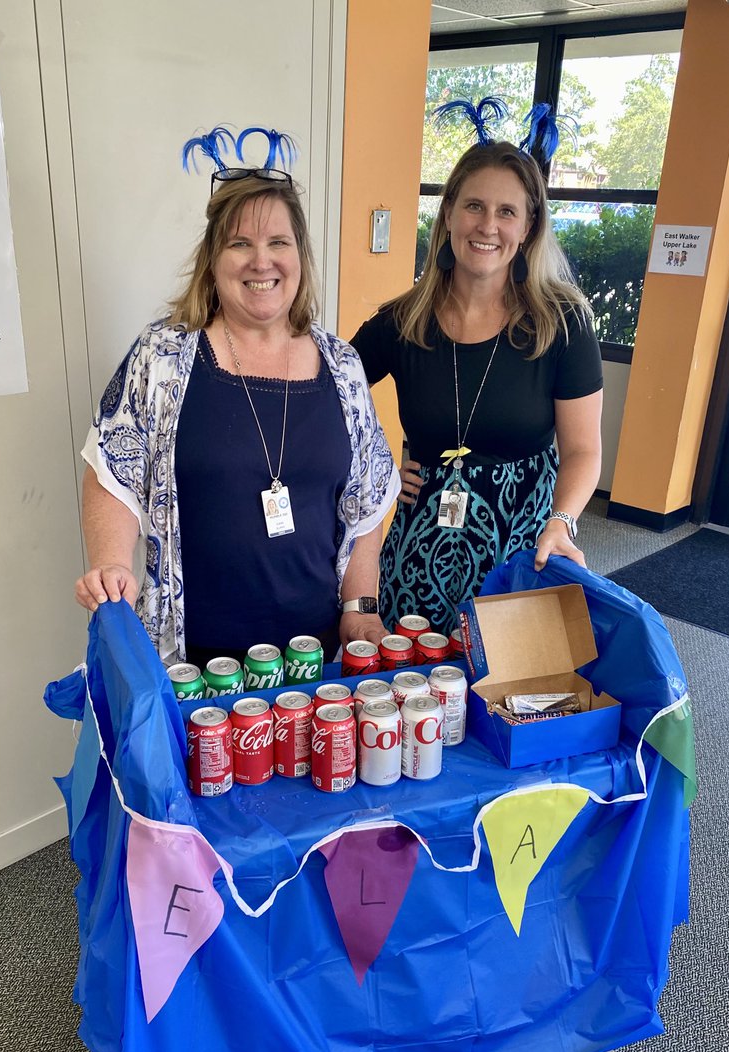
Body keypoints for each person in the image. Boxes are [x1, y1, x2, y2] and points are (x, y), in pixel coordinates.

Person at [75, 168, 399, 666]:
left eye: (278, 242)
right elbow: (110, 472)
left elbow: (366, 502)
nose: (261, 260)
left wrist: (360, 608)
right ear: (213, 260)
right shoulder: (162, 358)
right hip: (190, 666)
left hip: (316, 665)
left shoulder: (343, 366)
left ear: (300, 257)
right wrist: (113, 562)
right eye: (240, 243)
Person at [351, 139, 603, 637]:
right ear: (448, 215)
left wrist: (564, 521)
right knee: (413, 695)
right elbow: (325, 394)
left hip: (520, 553)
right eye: (474, 206)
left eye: (506, 211)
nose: (488, 226)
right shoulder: (401, 323)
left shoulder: (562, 324)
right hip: (417, 554)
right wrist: (373, 474)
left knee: (506, 701)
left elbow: (583, 450)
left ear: (528, 226)